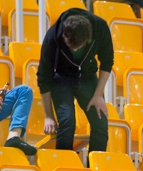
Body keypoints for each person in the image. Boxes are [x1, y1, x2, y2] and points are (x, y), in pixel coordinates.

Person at [37, 9, 112, 152]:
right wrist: (48, 116)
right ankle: (64, 168)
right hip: (62, 77)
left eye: (80, 46)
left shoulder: (100, 28)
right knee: (67, 120)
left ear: (89, 38)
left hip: (88, 77)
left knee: (100, 120)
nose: (76, 49)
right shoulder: (52, 36)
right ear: (64, 36)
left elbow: (107, 62)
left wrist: (98, 95)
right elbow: (44, 76)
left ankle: (95, 169)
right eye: (71, 46)